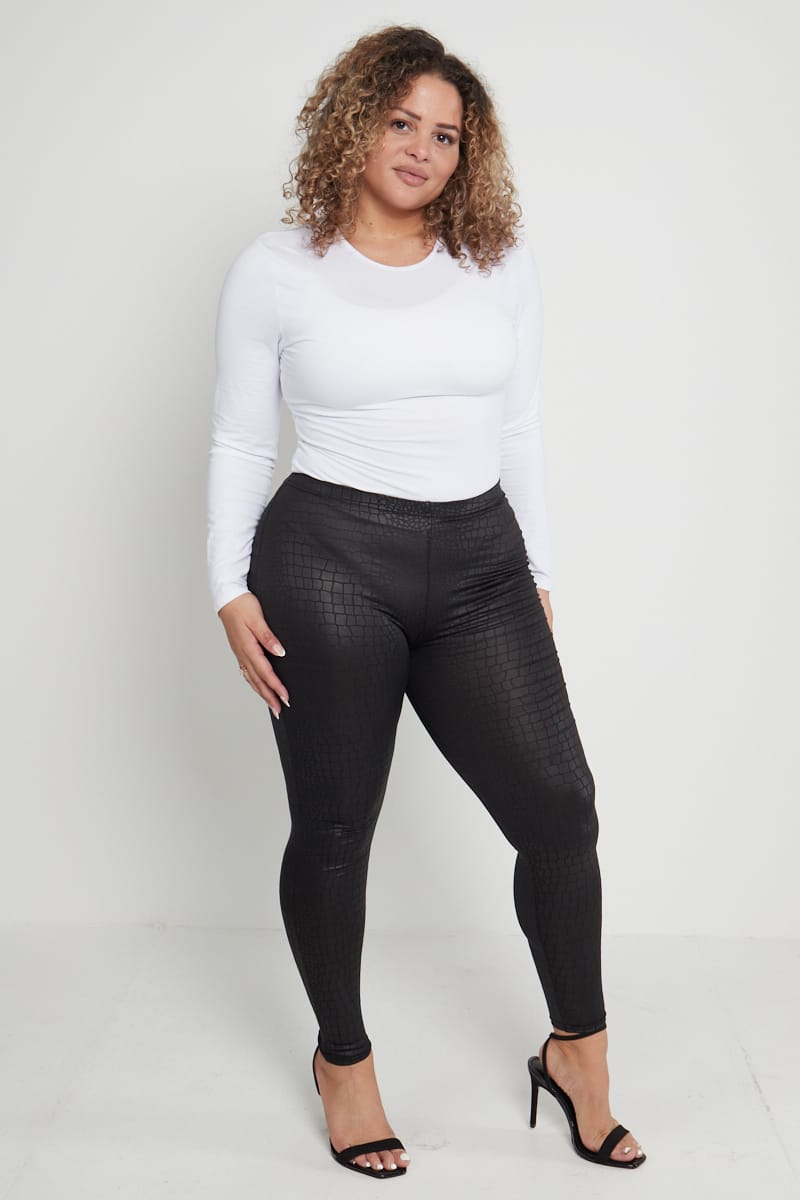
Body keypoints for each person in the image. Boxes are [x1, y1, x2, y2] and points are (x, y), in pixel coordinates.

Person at [206, 24, 646, 1179]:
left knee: (559, 811)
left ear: (468, 153)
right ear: (352, 124)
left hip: (480, 562)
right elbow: (241, 436)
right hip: (327, 560)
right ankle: (342, 1062)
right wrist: (225, 585)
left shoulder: (494, 259)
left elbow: (519, 425)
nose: (420, 148)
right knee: (335, 829)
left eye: (445, 134)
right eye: (400, 121)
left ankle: (577, 1055)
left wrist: (536, 572)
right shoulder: (278, 267)